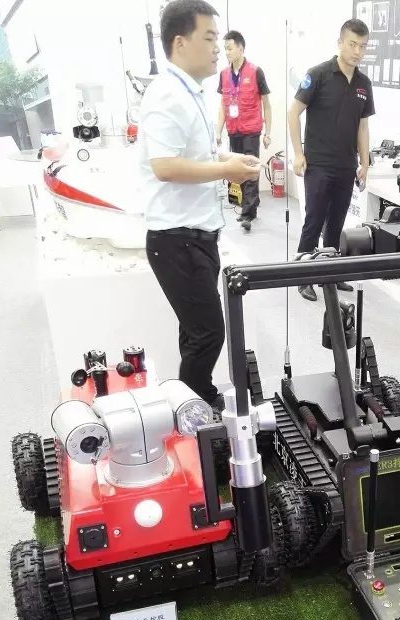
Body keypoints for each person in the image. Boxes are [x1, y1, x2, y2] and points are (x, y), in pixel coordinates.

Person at [138, 0, 260, 409]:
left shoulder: (191, 93)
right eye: (209, 38)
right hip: (177, 240)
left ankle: (191, 405)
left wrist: (229, 159)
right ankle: (196, 408)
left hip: (197, 237)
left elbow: (196, 154)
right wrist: (226, 170)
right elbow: (165, 166)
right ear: (180, 42)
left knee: (196, 333)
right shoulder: (166, 95)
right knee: (208, 333)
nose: (217, 48)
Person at [289, 18, 375, 302]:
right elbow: (293, 113)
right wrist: (298, 153)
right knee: (314, 220)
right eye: (352, 44)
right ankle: (304, 276)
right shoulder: (318, 75)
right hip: (318, 164)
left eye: (363, 46)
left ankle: (331, 274)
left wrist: (364, 163)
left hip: (346, 166)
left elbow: (363, 127)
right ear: (340, 43)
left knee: (336, 223)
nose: (357, 51)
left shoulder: (364, 84)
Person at [217, 31, 272, 232]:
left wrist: (268, 133)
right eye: (225, 49)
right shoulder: (224, 74)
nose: (227, 52)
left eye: (230, 48)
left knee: (250, 168)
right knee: (238, 169)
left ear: (241, 48)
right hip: (234, 130)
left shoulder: (256, 72)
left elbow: (267, 104)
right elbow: (223, 105)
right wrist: (218, 130)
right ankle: (250, 204)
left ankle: (248, 213)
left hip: (251, 130)